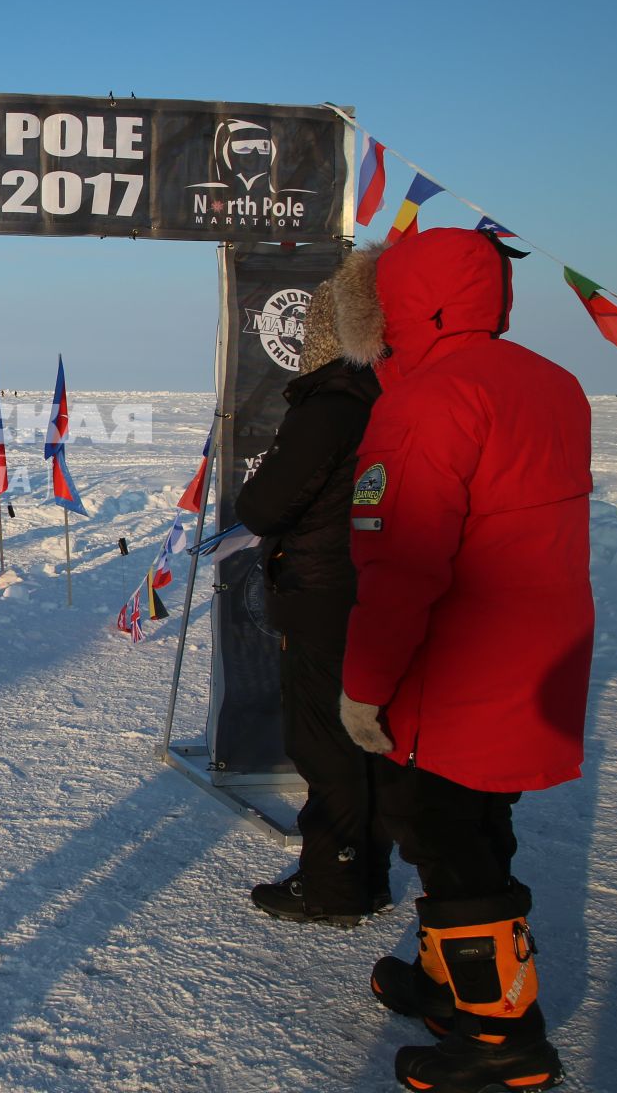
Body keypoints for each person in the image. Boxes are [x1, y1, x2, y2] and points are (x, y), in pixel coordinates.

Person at [336, 227, 591, 1093]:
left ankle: (499, 1035)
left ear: (406, 304)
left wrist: (364, 690)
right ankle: (453, 983)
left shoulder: (427, 403)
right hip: (535, 661)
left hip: (456, 668)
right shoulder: (553, 385)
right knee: (479, 816)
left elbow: (402, 566)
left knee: (444, 834)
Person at [234, 257, 390, 928]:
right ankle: (364, 874)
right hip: (366, 589)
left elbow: (266, 504)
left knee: (325, 745)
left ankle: (332, 884)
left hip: (325, 593)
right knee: (360, 743)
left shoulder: (329, 405)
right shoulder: (378, 397)